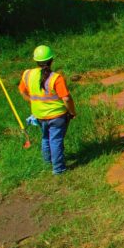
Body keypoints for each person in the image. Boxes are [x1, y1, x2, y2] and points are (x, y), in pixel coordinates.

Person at [18, 45, 76, 175]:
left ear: (36, 60)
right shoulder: (56, 78)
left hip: (39, 115)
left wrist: (33, 101)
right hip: (57, 116)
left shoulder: (27, 74)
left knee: (45, 138)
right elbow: (66, 99)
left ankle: (47, 162)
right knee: (55, 140)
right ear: (51, 60)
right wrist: (72, 112)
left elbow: (22, 91)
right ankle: (58, 169)